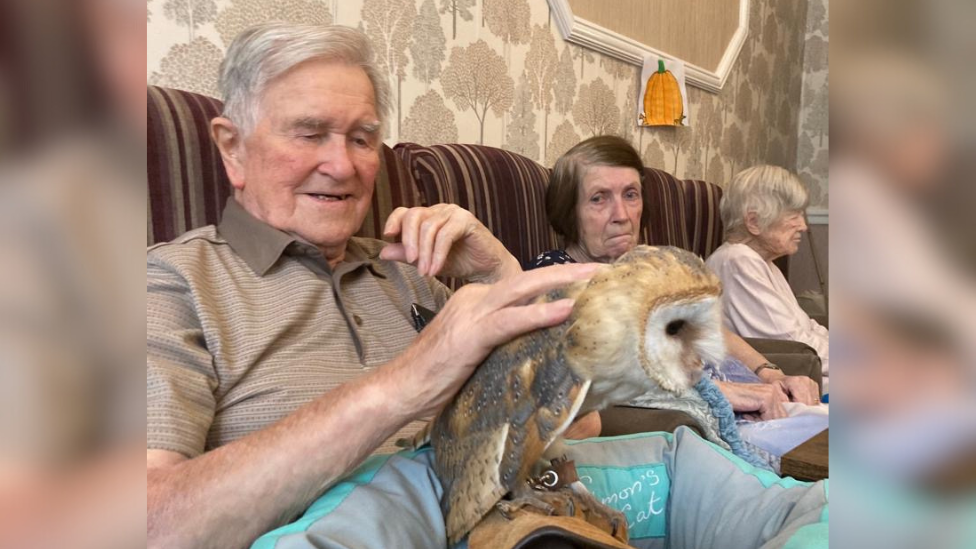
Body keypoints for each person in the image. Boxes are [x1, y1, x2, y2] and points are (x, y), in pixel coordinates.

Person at [148, 24, 826, 549]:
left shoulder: (406, 269)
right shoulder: (173, 285)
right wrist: (406, 383)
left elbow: (576, 422)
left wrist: (500, 271)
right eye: (310, 132)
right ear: (230, 146)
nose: (344, 163)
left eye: (362, 137)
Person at [527, 136, 821, 421]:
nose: (622, 215)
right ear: (569, 212)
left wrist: (770, 373)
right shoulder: (556, 276)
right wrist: (721, 393)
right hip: (697, 418)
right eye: (598, 199)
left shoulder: (649, 269)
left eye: (630, 195)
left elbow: (709, 329)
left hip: (742, 405)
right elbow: (591, 374)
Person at [704, 165, 830, 390]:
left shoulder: (763, 262)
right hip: (778, 377)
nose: (803, 226)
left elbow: (807, 327)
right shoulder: (737, 262)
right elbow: (793, 345)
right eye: (794, 215)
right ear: (753, 222)